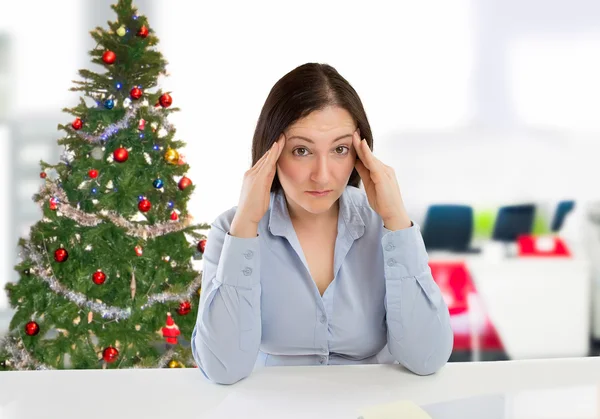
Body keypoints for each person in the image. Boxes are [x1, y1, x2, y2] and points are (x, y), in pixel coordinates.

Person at [191, 63, 453, 385]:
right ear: (270, 153)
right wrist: (246, 224)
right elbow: (223, 368)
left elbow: (426, 357)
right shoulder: (232, 229)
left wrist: (397, 223)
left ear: (360, 154)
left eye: (340, 150)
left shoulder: (384, 225)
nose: (323, 175)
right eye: (301, 151)